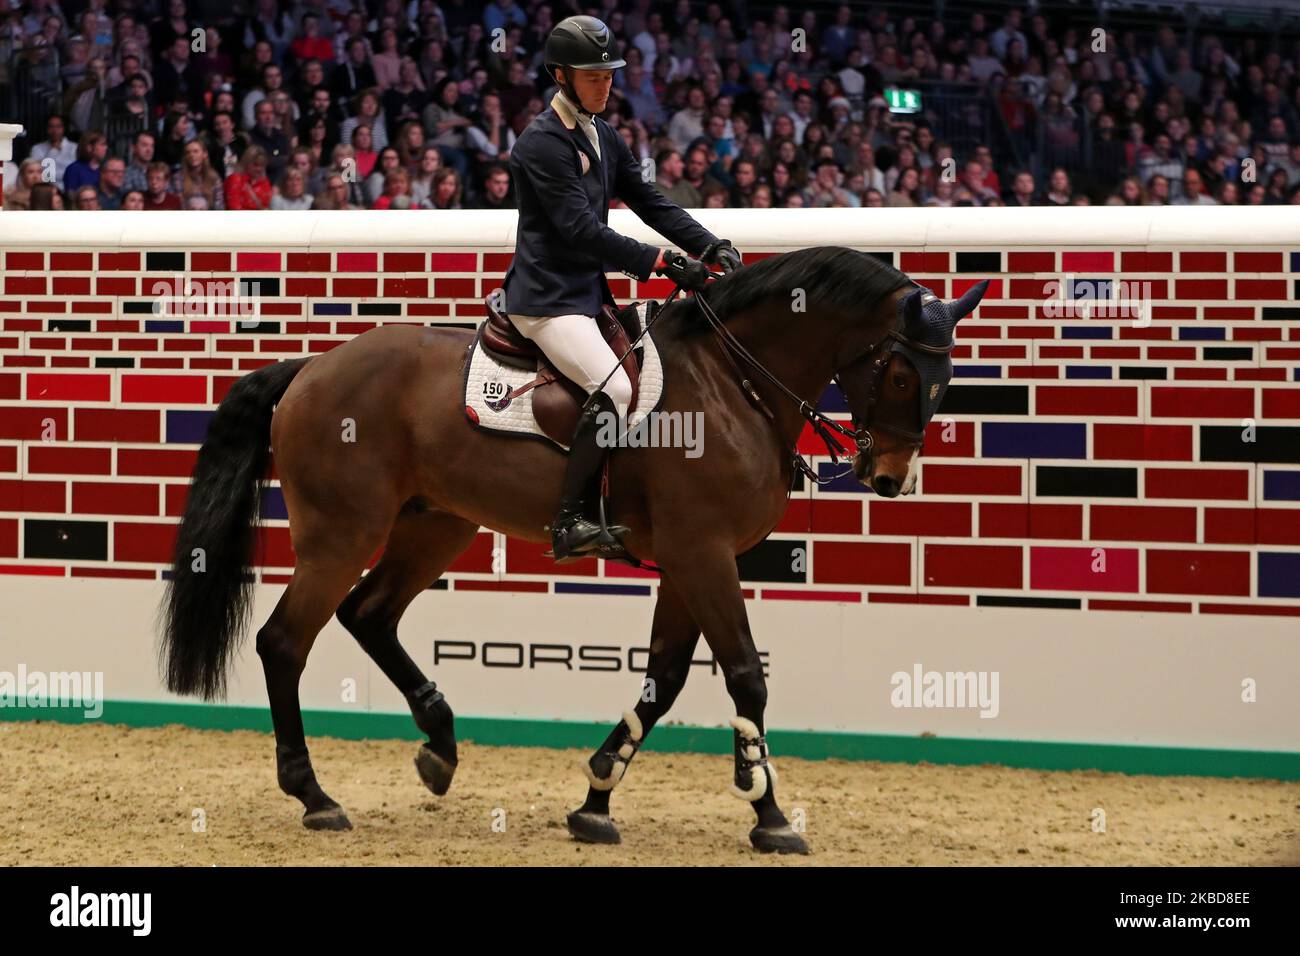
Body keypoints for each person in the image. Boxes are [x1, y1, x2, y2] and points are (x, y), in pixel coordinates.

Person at [501, 15, 741, 562]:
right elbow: (581, 231)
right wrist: (662, 262)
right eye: (592, 76)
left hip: (587, 293)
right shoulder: (541, 144)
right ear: (560, 76)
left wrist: (707, 244)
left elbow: (650, 201)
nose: (605, 85)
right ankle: (569, 521)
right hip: (547, 298)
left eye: (608, 75)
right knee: (615, 392)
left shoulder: (603, 134)